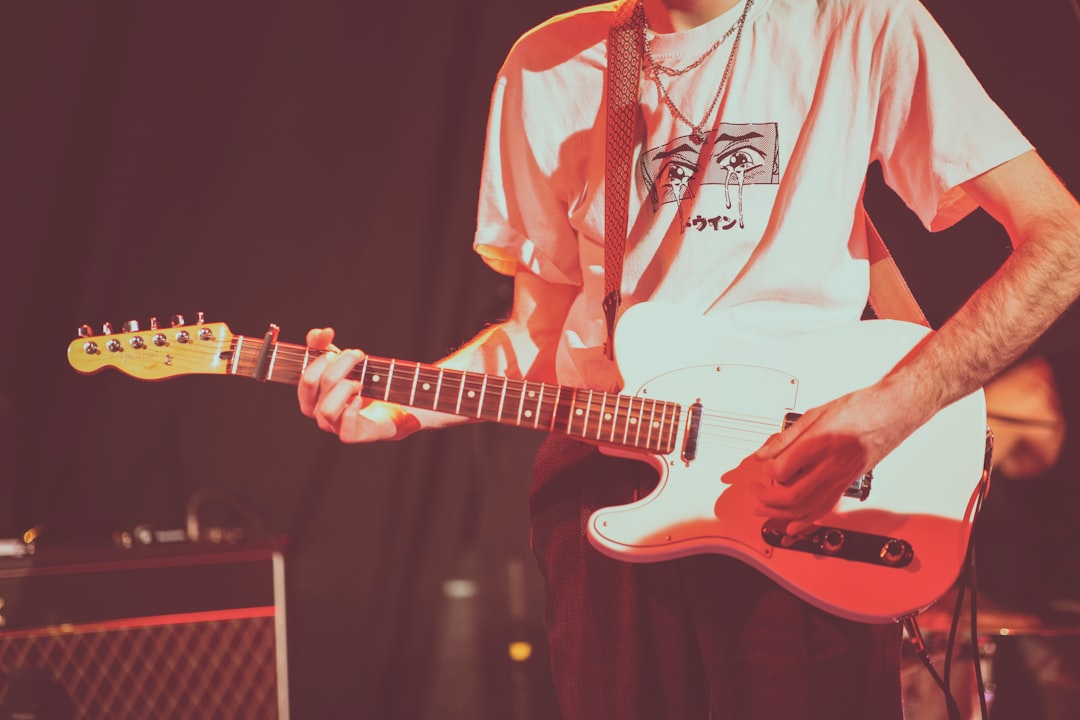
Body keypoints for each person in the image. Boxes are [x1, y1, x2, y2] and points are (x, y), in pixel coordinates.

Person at [297, 0, 1080, 717]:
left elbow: (1061, 242)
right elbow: (540, 333)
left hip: (801, 475)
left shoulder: (861, 22)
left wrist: (893, 409)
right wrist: (401, 406)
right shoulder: (546, 65)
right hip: (605, 471)